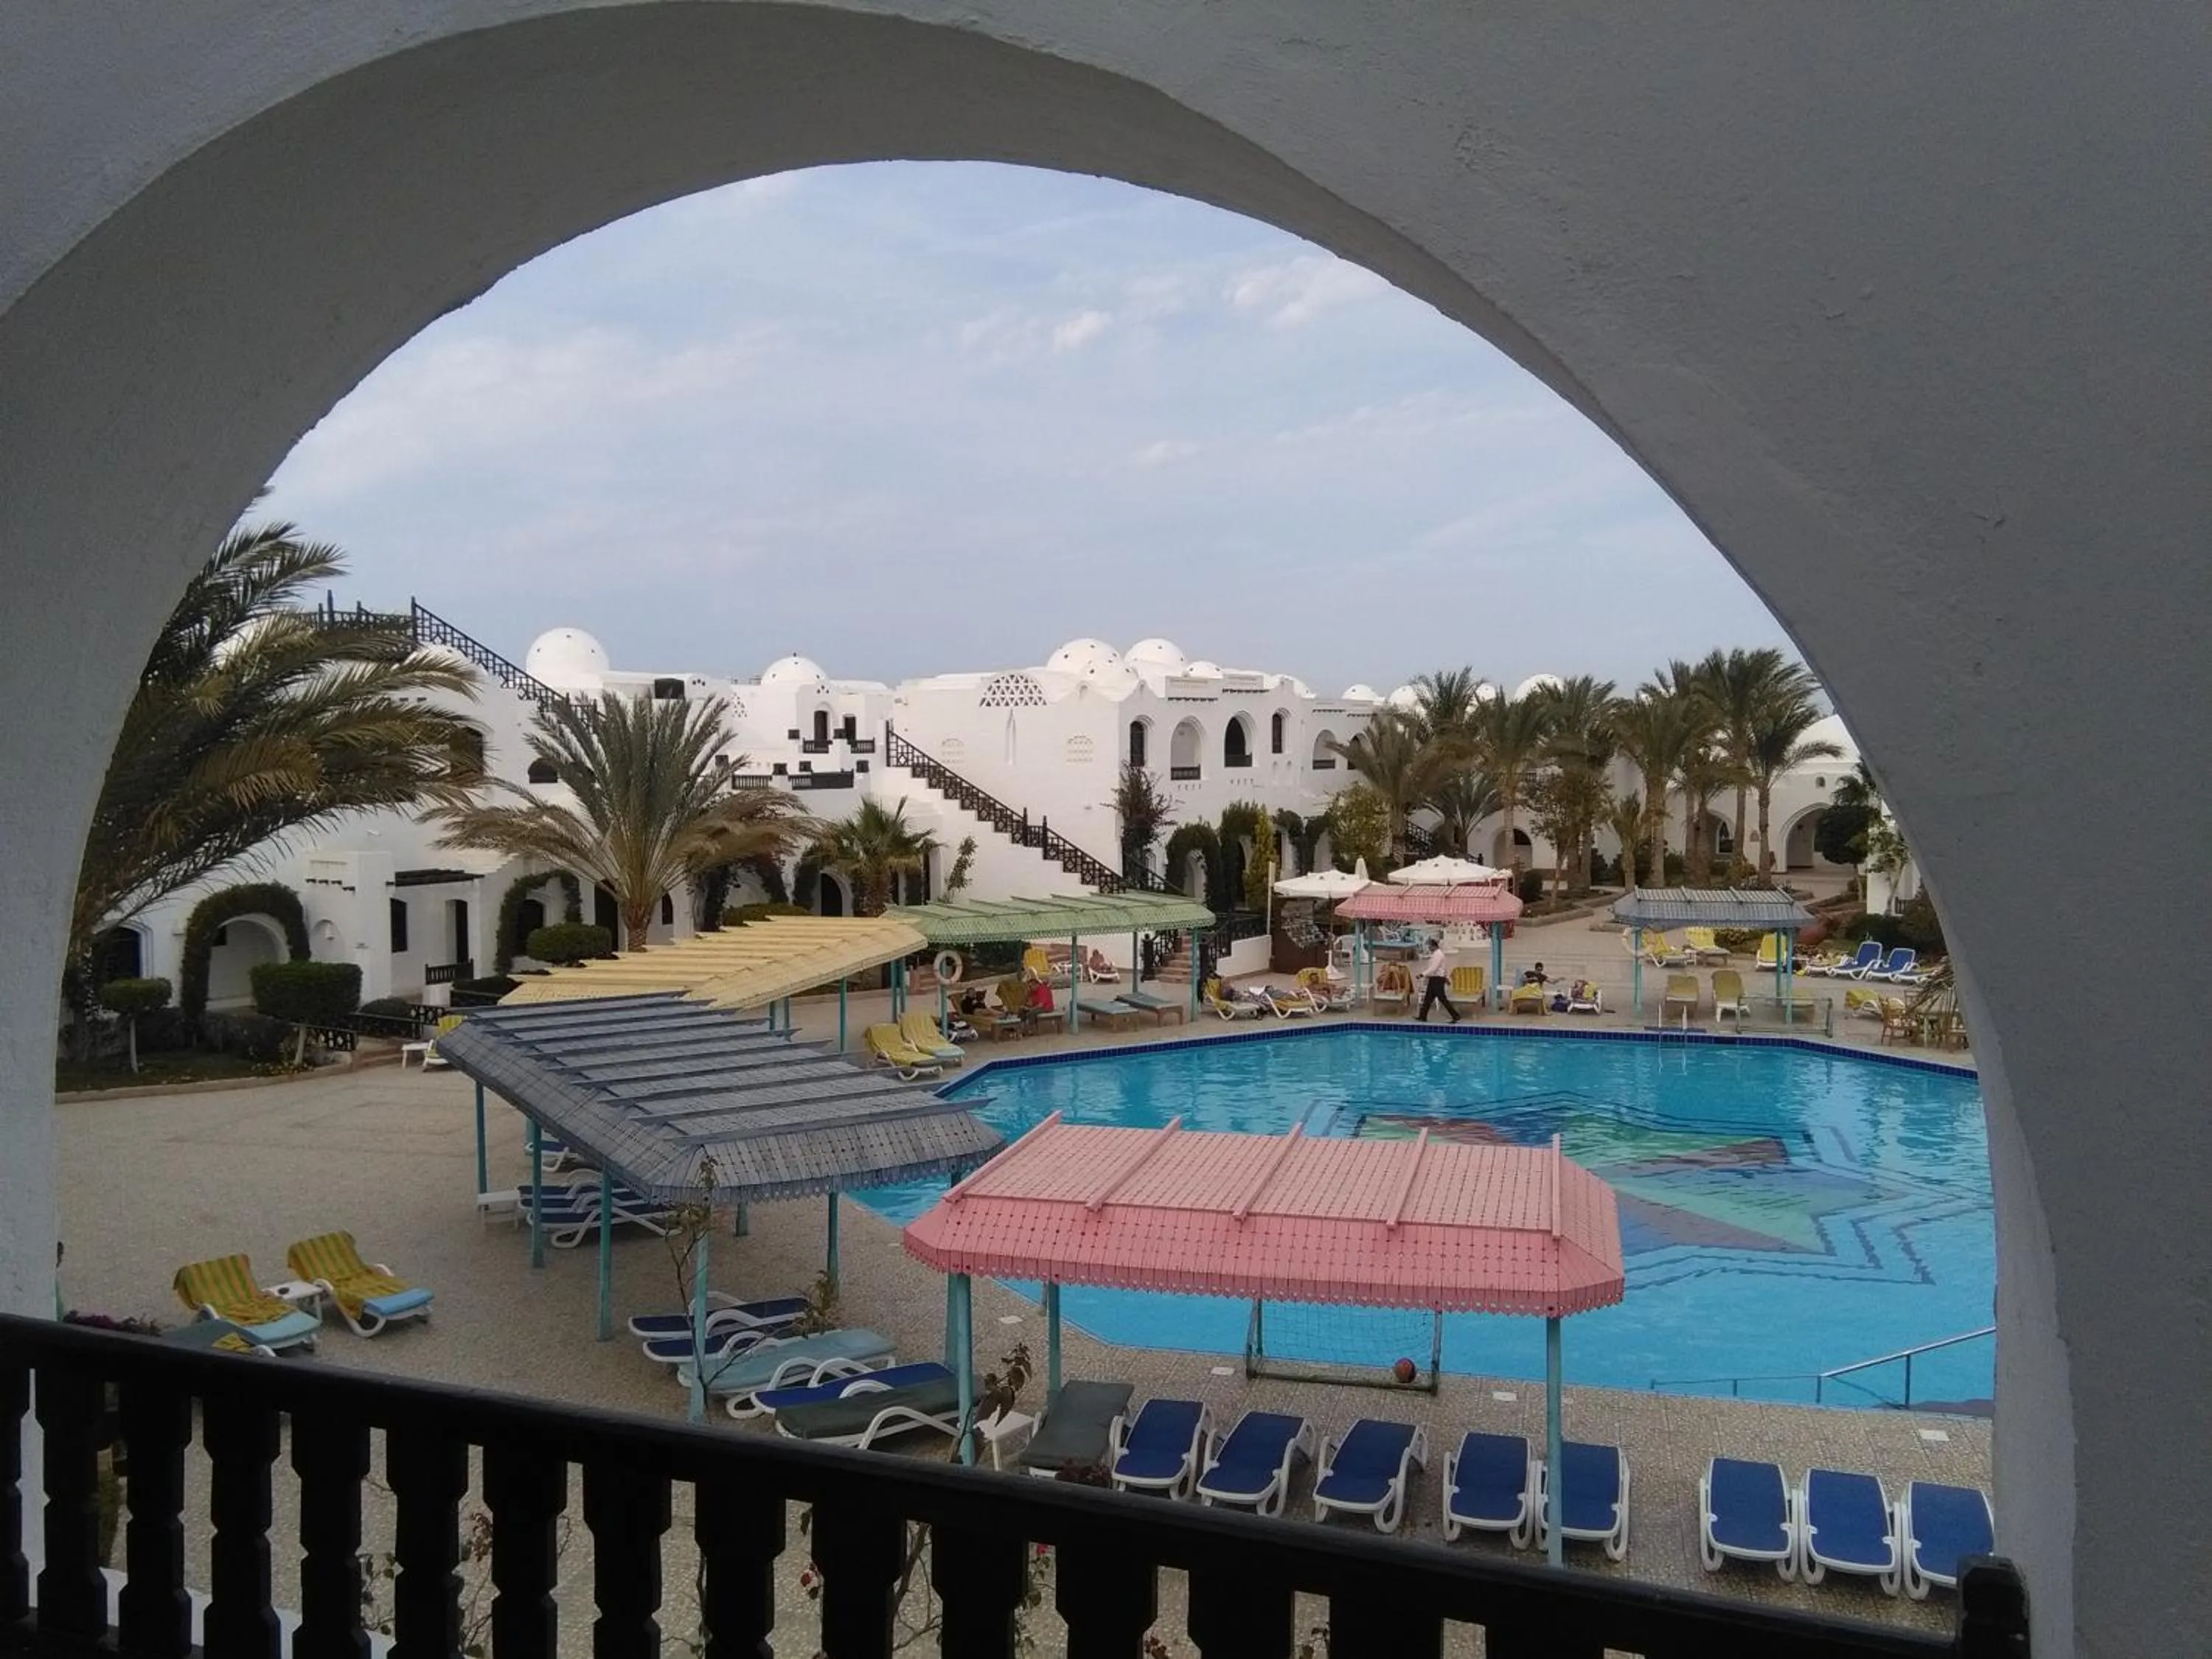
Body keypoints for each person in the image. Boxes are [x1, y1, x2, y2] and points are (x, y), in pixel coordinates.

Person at [1415, 936, 1461, 1023]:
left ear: (1434, 946)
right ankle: (1423, 1016)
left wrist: (1422, 974)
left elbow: (1434, 968)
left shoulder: (1438, 955)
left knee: (1442, 999)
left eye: (1430, 947)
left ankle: (1456, 1015)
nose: (1429, 948)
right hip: (1434, 979)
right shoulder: (1436, 954)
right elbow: (1442, 968)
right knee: (1428, 999)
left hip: (1437, 980)